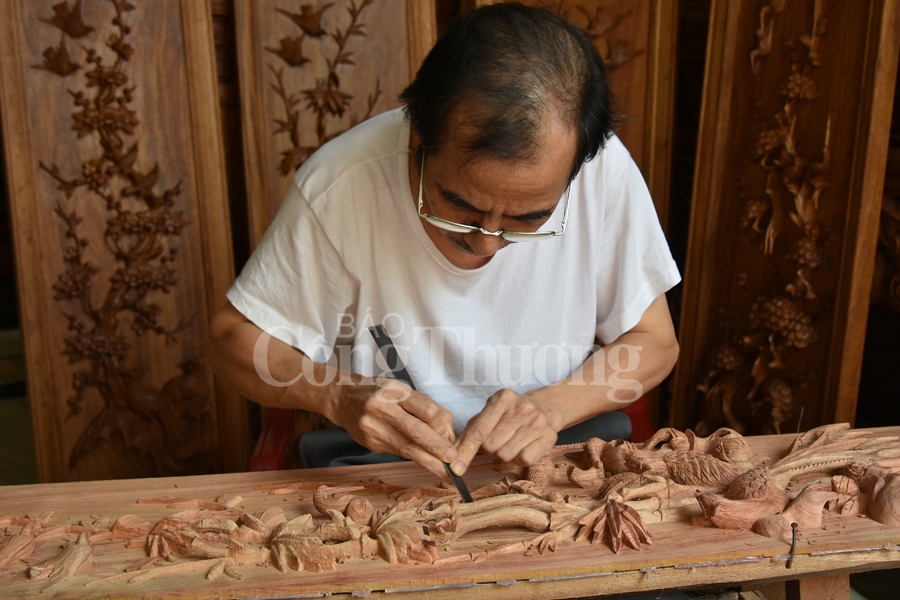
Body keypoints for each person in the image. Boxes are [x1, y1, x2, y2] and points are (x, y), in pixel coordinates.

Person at [207, 2, 680, 479]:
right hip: (396, 463)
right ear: (417, 132)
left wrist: (552, 406)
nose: (487, 244)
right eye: (460, 206)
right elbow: (232, 341)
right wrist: (335, 393)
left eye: (528, 218)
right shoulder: (341, 184)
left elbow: (655, 342)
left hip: (560, 447)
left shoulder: (601, 169)